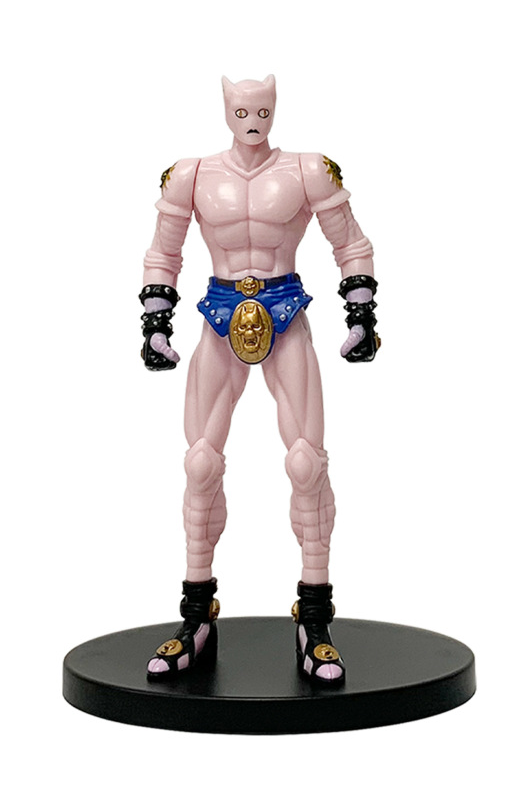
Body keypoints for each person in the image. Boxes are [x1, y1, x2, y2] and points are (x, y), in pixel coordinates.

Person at [141, 75, 379, 683]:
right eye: (243, 110)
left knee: (306, 463)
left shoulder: (306, 170)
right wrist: (155, 323)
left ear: (275, 109)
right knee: (200, 463)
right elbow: (163, 253)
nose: (253, 121)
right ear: (227, 110)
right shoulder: (192, 175)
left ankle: (315, 618)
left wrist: (361, 314)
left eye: (262, 110)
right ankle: (196, 616)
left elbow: (351, 244)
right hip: (221, 314)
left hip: (285, 309)